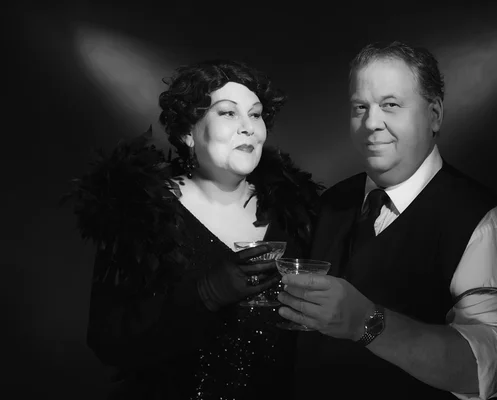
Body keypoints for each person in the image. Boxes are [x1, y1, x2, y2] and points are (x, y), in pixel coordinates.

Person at [277, 41, 497, 399]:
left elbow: (491, 370)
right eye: (360, 107)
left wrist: (368, 323)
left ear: (435, 115)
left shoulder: (483, 221)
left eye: (391, 105)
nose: (371, 123)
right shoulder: (331, 202)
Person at [64, 60, 323, 399]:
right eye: (228, 113)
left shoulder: (297, 211)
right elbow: (109, 342)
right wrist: (206, 294)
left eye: (256, 114)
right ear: (188, 132)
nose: (248, 127)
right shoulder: (140, 213)